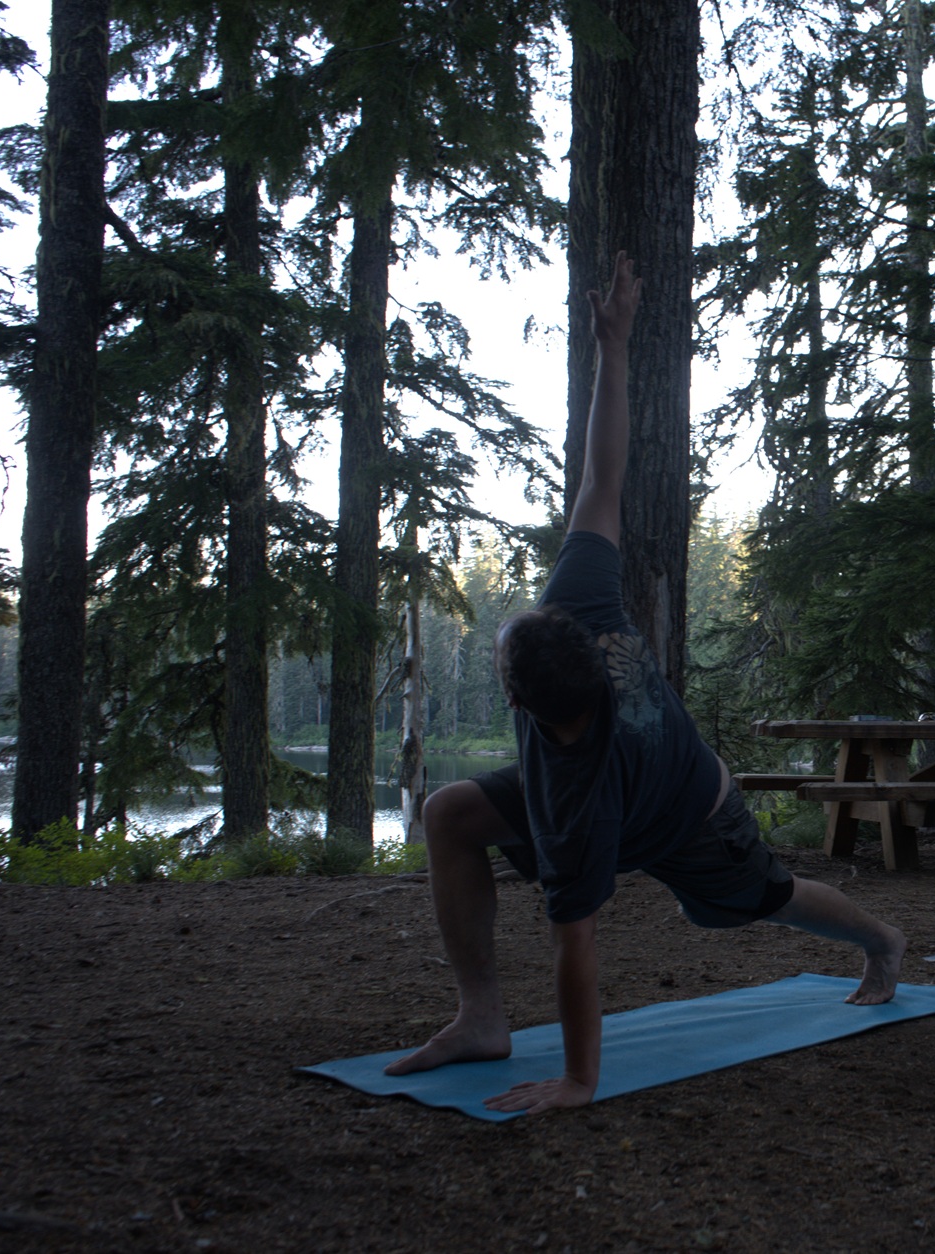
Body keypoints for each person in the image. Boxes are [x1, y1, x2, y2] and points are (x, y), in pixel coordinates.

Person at [386, 252, 906, 1114]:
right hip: (626, 788)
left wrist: (579, 1081)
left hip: (693, 814)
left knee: (756, 903)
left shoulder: (571, 792)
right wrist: (612, 348)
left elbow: (577, 943)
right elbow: (602, 475)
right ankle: (480, 1017)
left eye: (504, 638)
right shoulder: (581, 604)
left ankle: (881, 938)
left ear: (518, 700)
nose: (516, 619)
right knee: (451, 814)